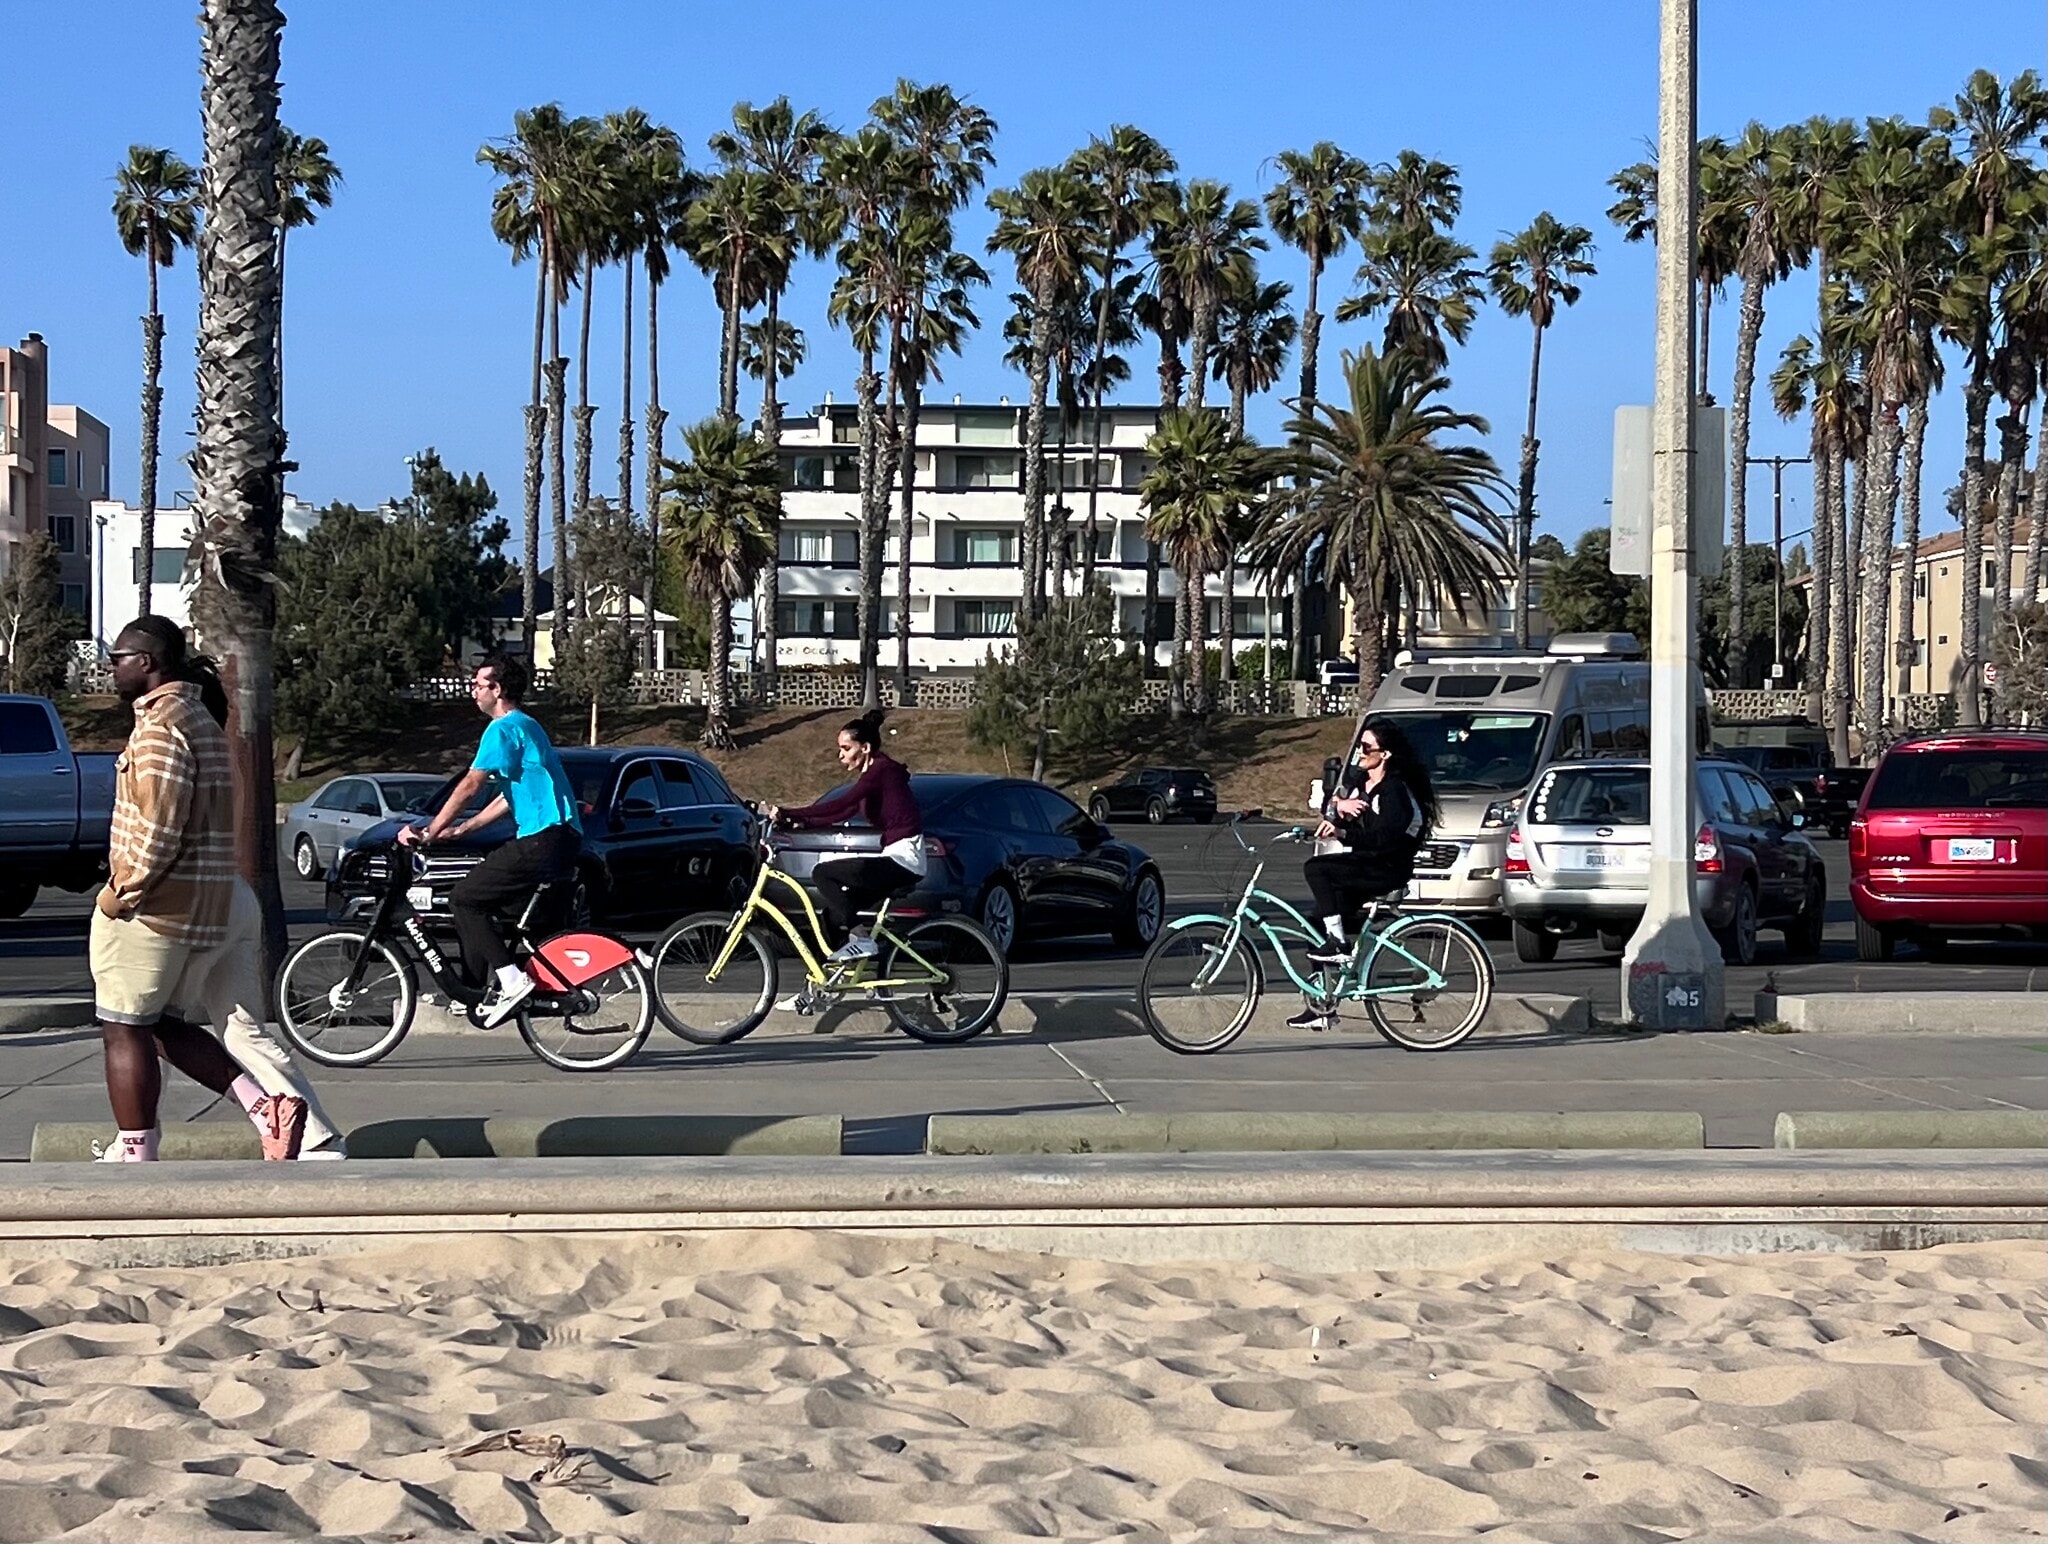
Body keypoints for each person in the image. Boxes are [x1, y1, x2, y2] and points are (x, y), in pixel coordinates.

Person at [91, 616, 341, 1161]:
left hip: (160, 907)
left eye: (118, 657)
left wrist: (119, 893)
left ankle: (136, 1151)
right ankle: (299, 1129)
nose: (111, 667)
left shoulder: (161, 728)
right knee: (219, 1027)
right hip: (221, 899)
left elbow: (158, 830)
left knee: (125, 1027)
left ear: (148, 661)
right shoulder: (202, 720)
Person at [401, 652, 580, 1025]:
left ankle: (512, 980)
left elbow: (470, 785)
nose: (472, 691)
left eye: (478, 684)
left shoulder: (502, 729)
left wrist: (430, 832)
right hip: (560, 839)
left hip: (542, 839)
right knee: (486, 905)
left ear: (497, 689)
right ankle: (475, 991)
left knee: (463, 899)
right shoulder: (528, 726)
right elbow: (505, 797)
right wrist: (462, 830)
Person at [1288, 717, 1439, 1031]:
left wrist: (1343, 836)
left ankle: (1340, 944)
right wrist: (1339, 808)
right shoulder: (1360, 783)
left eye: (1366, 747)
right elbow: (1332, 808)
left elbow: (1387, 839)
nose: (1360, 752)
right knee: (1315, 920)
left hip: (1388, 867)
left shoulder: (1395, 790)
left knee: (1316, 869)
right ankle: (1321, 1006)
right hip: (1366, 863)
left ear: (1384, 754)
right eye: (1359, 745)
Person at [763, 710, 924, 963]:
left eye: (846, 748)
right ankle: (821, 988)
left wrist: (786, 811)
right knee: (834, 916)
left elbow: (841, 803)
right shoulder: (874, 775)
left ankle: (862, 939)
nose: (840, 755)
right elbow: (841, 813)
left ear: (865, 748)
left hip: (904, 860)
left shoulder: (881, 771)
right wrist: (797, 823)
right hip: (894, 856)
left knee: (822, 873)